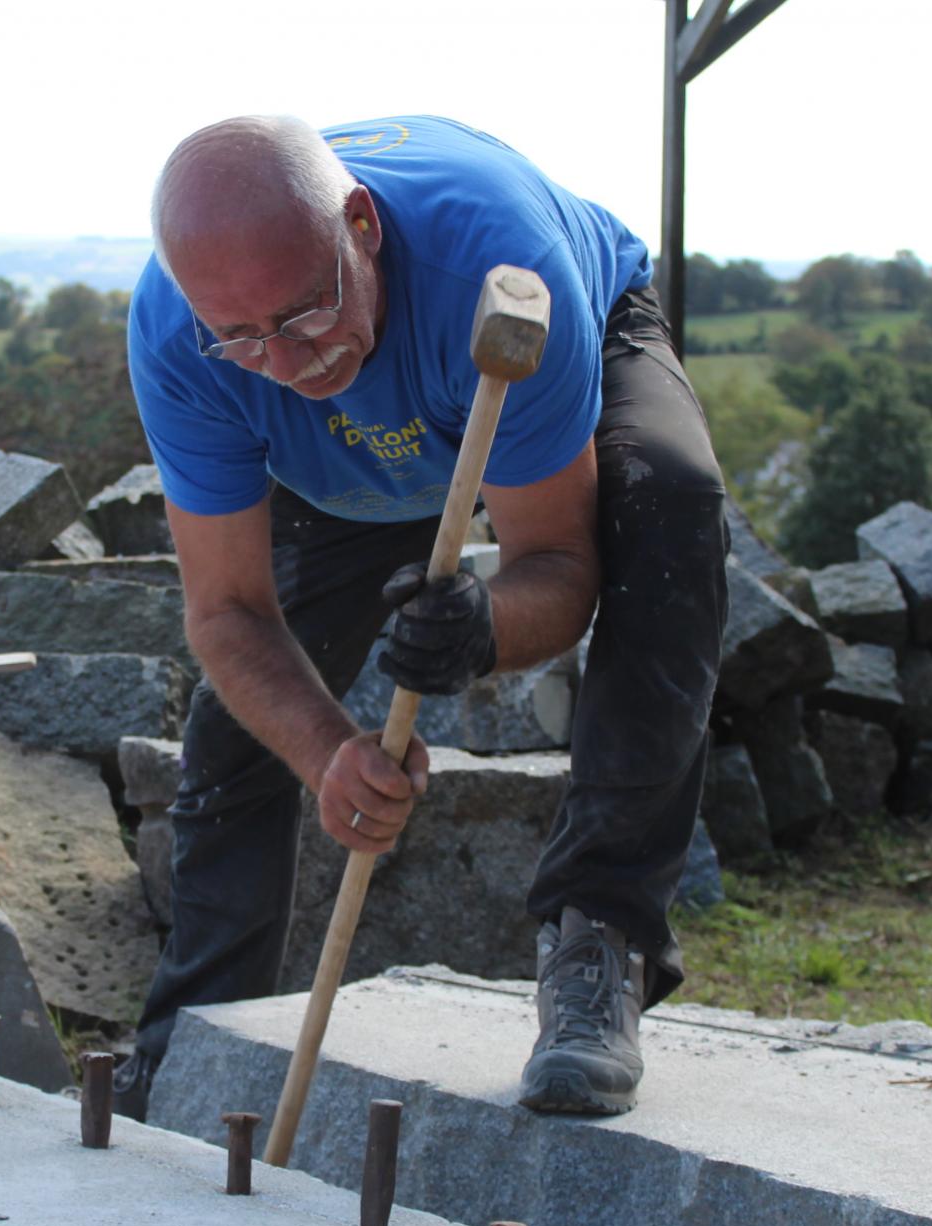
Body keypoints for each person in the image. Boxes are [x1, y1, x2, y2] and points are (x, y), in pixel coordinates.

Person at [115, 114, 727, 1121]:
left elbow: (559, 566)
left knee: (668, 507)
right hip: (348, 466)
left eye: (306, 314)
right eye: (242, 337)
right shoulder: (191, 341)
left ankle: (598, 944)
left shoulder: (499, 264)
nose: (285, 361)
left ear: (361, 224)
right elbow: (226, 612)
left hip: (519, 352)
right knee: (246, 719)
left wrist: (481, 628)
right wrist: (327, 755)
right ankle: (191, 1045)